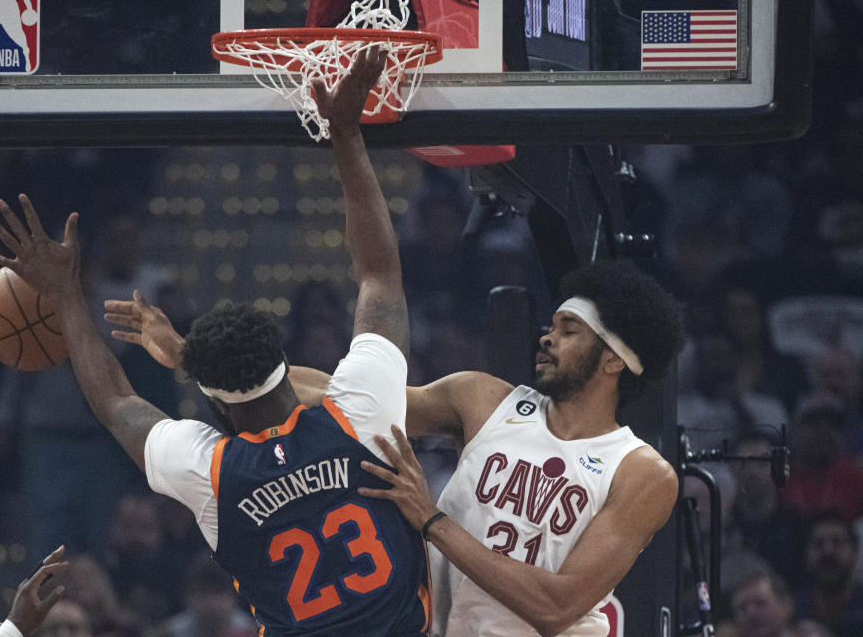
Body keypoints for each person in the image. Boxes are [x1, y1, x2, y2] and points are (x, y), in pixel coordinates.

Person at [0, 45, 430, 636]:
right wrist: (347, 135)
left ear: (215, 403)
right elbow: (379, 277)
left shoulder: (210, 471)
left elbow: (117, 403)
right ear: (285, 359)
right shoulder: (362, 411)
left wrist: (67, 294)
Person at [108, 260, 685, 636]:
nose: (546, 336)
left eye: (567, 330)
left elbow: (557, 608)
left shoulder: (640, 472)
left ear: (613, 360)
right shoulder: (486, 399)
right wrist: (198, 359)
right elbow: (335, 397)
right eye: (552, 325)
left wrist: (431, 520)